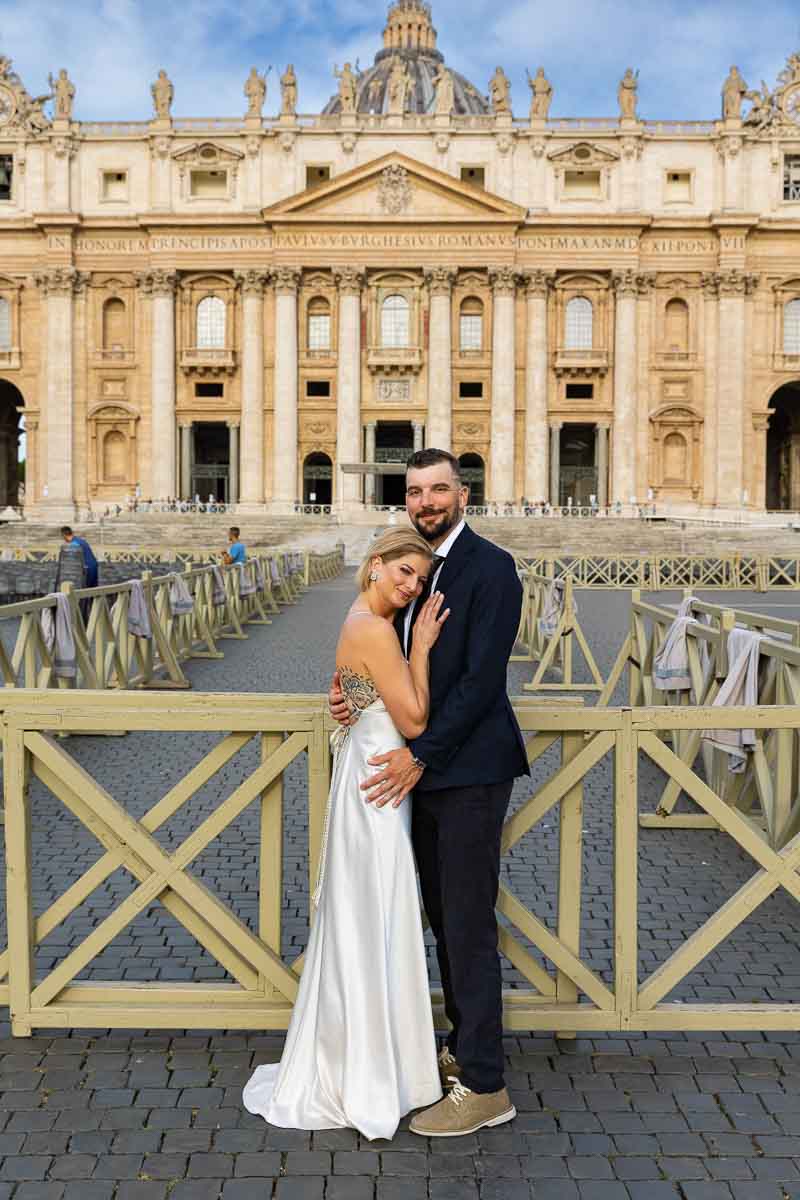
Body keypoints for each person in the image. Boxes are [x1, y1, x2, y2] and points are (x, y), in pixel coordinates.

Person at [329, 448, 529, 1137]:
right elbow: (394, 672)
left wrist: (419, 755)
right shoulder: (414, 569)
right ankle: (460, 1045)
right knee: (443, 917)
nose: (427, 500)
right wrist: (353, 697)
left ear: (463, 493)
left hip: (467, 770)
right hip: (422, 773)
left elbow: (481, 682)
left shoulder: (492, 568)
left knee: (469, 922)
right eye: (415, 490)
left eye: (439, 488)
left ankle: (484, 1085)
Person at [243, 528, 449, 1140]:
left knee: (367, 914)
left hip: (367, 777)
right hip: (380, 788)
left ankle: (370, 1056)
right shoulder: (377, 628)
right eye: (405, 573)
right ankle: (374, 1068)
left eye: (420, 579)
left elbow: (354, 698)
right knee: (375, 915)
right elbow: (414, 717)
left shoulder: (359, 617)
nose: (413, 587)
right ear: (377, 565)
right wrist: (424, 650)